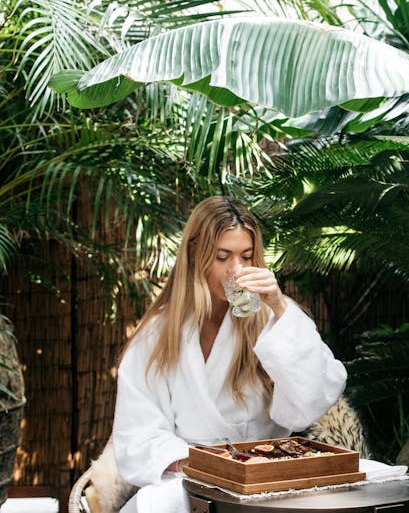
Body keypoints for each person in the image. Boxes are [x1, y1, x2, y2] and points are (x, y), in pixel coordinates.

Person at [114, 196, 347, 513]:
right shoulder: (158, 334)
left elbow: (307, 405)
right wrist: (215, 466)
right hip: (191, 477)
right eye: (223, 257)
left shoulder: (275, 319)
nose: (236, 270)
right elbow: (138, 431)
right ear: (196, 254)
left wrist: (278, 306)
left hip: (268, 480)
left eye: (247, 257)